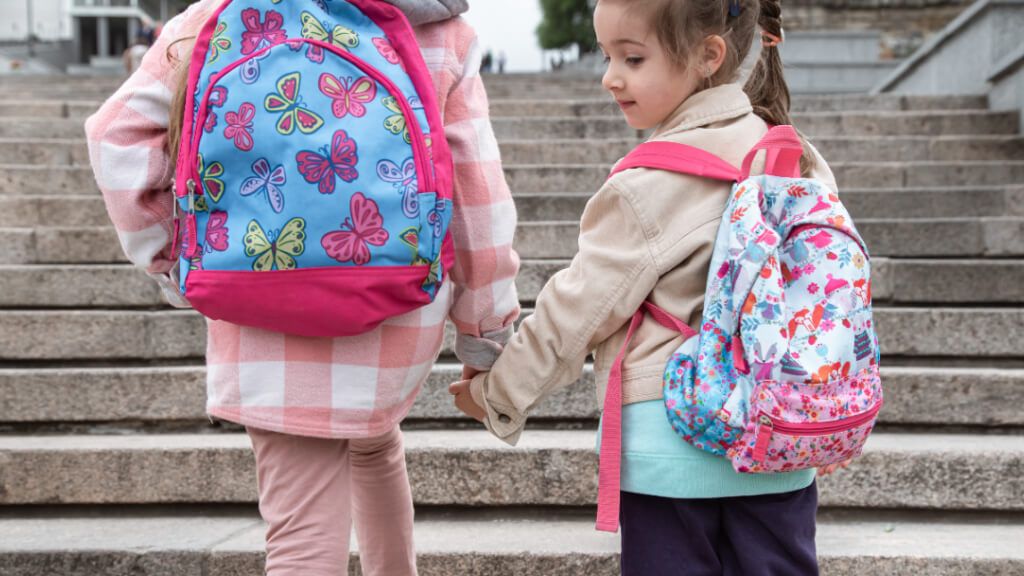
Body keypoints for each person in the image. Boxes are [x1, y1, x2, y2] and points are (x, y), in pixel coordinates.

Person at [84, 0, 519, 574]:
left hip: (257, 296)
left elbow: (115, 135)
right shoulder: (438, 27)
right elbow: (475, 188)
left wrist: (172, 260)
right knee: (372, 440)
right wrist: (485, 325)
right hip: (391, 301)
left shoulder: (218, 15)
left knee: (301, 536)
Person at [450, 0, 842, 574]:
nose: (610, 76)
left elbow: (578, 309)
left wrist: (497, 391)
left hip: (671, 445)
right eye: (609, 56)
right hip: (778, 431)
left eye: (632, 58)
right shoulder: (796, 158)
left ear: (709, 55)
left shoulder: (651, 182)